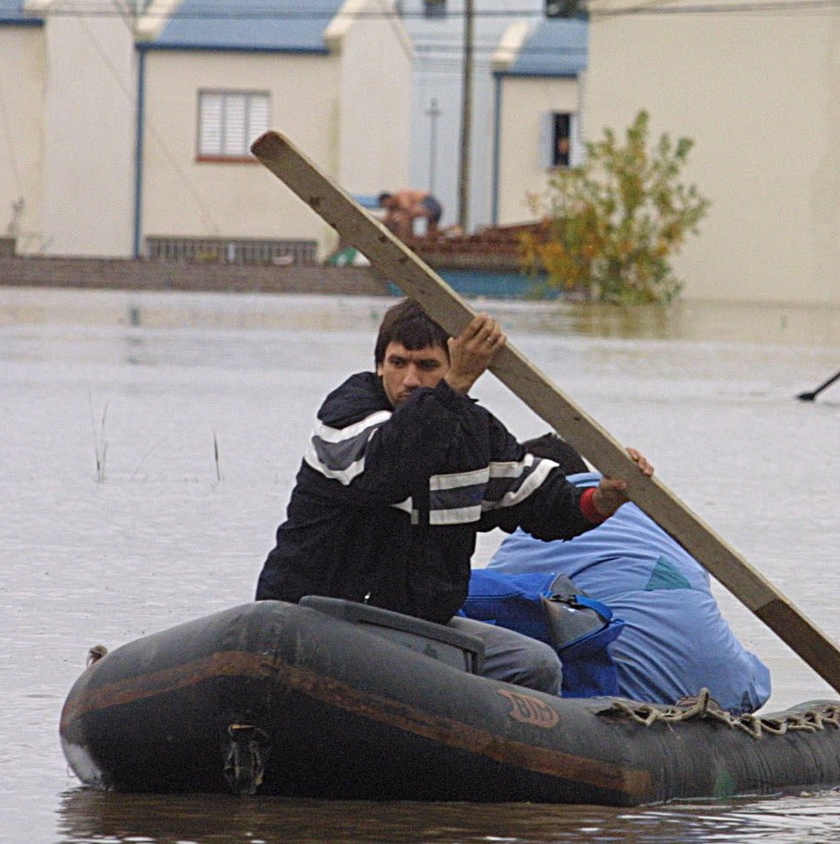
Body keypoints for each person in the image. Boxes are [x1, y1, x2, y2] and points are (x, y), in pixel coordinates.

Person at [255, 297, 654, 696]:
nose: (410, 379)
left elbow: (544, 502)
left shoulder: (475, 434)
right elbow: (387, 471)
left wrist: (602, 500)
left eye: (427, 366)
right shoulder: (346, 415)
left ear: (451, 365)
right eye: (398, 363)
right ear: (380, 366)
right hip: (318, 620)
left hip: (413, 628)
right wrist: (452, 388)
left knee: (534, 665)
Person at [482, 458, 773, 713]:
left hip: (623, 702)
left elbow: (487, 605)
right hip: (731, 691)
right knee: (749, 667)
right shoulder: (664, 526)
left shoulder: (532, 533)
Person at [377, 189, 444, 240]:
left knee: (405, 217)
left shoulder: (400, 195)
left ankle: (407, 238)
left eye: (386, 205)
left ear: (388, 199)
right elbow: (387, 220)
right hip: (434, 211)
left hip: (429, 203)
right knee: (431, 235)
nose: (387, 208)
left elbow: (406, 209)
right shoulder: (392, 207)